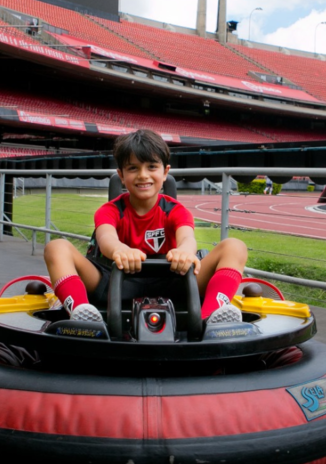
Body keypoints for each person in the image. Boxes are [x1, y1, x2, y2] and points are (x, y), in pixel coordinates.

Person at [41, 129, 249, 328]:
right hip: (115, 282)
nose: (143, 175)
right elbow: (106, 239)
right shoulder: (109, 210)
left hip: (175, 281)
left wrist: (184, 252)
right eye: (133, 168)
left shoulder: (176, 210)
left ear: (165, 172)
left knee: (235, 246)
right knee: (56, 247)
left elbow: (187, 238)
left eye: (151, 167)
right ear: (121, 175)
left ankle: (211, 316)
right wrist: (119, 250)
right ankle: (80, 313)